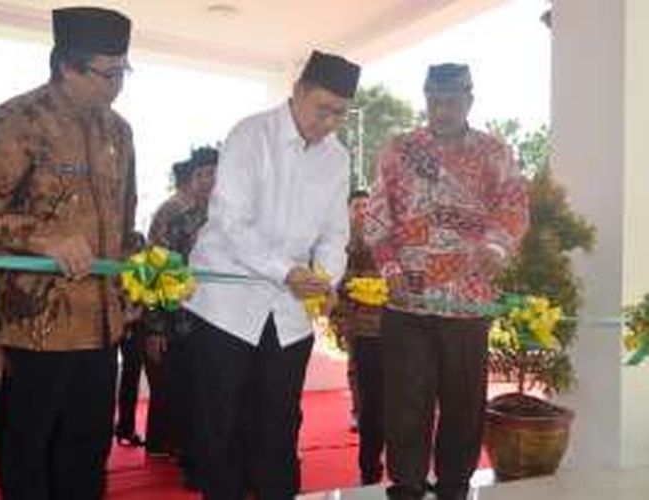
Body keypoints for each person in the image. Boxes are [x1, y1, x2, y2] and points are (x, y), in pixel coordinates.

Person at [0, 7, 136, 499]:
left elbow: (125, 218)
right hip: (34, 329)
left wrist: (136, 277)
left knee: (86, 454)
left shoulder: (120, 131)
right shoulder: (18, 119)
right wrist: (43, 239)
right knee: (28, 453)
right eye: (107, 72)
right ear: (67, 65)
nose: (116, 85)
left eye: (123, 71)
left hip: (101, 327)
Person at [185, 50, 360, 499]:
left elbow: (333, 234)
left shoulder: (337, 159)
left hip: (288, 315)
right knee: (220, 425)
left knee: (280, 425)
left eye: (340, 114)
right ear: (298, 91)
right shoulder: (251, 134)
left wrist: (325, 280)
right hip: (225, 309)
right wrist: (287, 272)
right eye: (323, 108)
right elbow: (230, 221)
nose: (328, 122)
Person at [365, 63, 529, 500]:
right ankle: (407, 485)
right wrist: (391, 271)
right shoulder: (399, 150)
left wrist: (496, 247)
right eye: (434, 100)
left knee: (463, 406)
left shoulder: (495, 152)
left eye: (452, 100)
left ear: (469, 101)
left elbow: (513, 209)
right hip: (407, 303)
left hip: (467, 303)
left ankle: (455, 487)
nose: (442, 109)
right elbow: (377, 220)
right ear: (425, 99)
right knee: (406, 405)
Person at [143, 146, 217, 488]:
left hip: (222, 323)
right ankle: (192, 465)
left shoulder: (224, 215)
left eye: (215, 174)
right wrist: (155, 326)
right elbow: (154, 271)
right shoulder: (173, 216)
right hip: (183, 324)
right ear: (190, 178)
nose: (210, 181)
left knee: (216, 396)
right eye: (203, 174)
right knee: (189, 396)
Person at [330, 188, 384, 486]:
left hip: (409, 335)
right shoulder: (353, 239)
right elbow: (340, 283)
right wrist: (341, 323)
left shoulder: (409, 235)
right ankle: (370, 470)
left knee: (406, 405)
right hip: (366, 331)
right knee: (372, 404)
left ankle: (408, 473)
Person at [114, 230, 148, 448]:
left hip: (135, 322)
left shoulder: (139, 241)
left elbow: (147, 287)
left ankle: (126, 427)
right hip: (108, 321)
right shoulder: (108, 240)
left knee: (132, 375)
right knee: (102, 377)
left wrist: (138, 310)